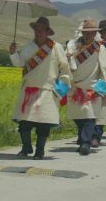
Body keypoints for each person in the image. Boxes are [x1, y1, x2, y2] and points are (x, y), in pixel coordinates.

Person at [9, 16, 71, 160]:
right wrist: (13, 53)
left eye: (42, 29)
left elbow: (65, 69)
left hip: (48, 91)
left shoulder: (56, 47)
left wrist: (61, 89)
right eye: (37, 29)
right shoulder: (28, 47)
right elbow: (19, 63)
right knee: (24, 124)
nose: (39, 32)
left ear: (47, 32)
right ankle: (26, 147)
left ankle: (40, 151)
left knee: (44, 125)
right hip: (29, 91)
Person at [64, 18, 106, 155]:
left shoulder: (100, 48)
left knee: (89, 117)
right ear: (82, 33)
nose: (88, 35)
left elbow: (105, 70)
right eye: (86, 32)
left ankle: (85, 143)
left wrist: (100, 89)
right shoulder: (73, 46)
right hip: (75, 87)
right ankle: (83, 138)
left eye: (91, 33)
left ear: (95, 33)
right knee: (78, 116)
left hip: (91, 87)